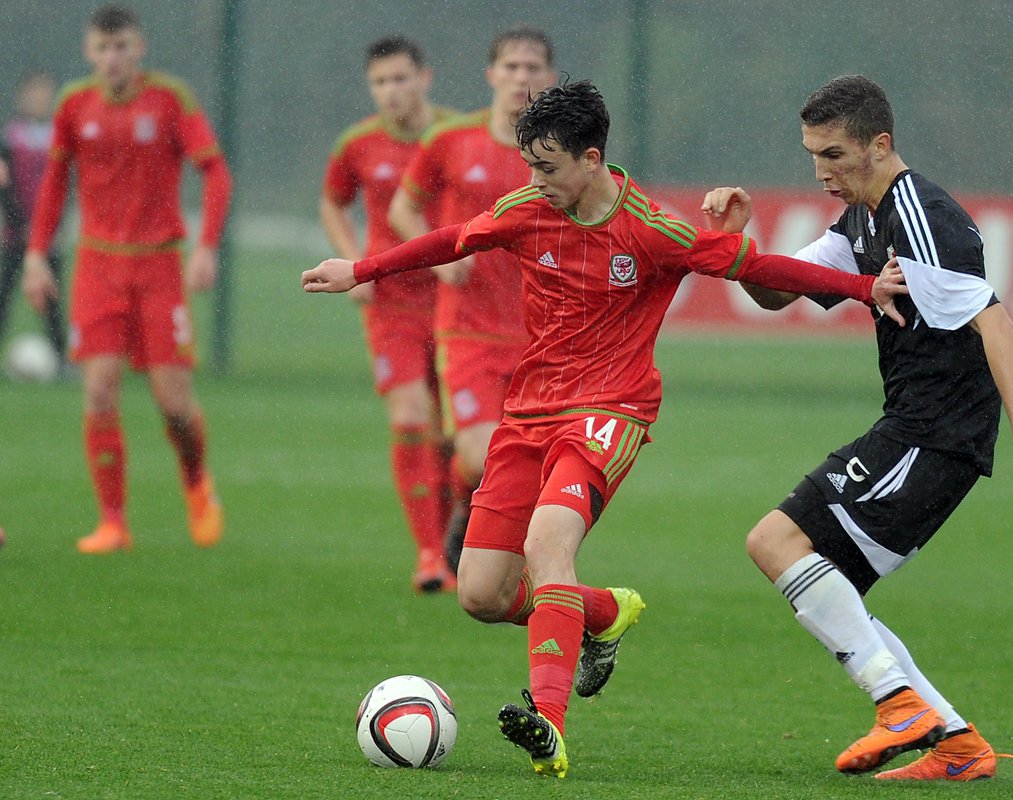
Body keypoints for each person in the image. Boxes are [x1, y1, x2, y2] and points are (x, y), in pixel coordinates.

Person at [304, 80, 908, 779]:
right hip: (529, 411)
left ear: (592, 159)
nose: (536, 181)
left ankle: (549, 725)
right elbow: (452, 239)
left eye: (549, 167)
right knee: (481, 593)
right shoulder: (528, 210)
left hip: (610, 410)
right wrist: (362, 268)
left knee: (547, 546)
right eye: (531, 165)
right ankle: (600, 614)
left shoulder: (653, 229)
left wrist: (866, 288)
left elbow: (759, 266)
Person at [701, 74, 1013, 782]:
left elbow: (993, 318)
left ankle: (900, 706)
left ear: (880, 145)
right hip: (916, 431)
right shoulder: (860, 216)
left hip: (932, 437)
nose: (821, 170)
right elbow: (783, 288)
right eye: (812, 154)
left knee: (774, 540)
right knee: (829, 592)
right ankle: (956, 745)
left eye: (835, 154)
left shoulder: (922, 213)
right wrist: (737, 251)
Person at [22, 4, 232, 554]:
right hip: (96, 265)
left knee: (174, 406)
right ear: (89, 53)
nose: (112, 58)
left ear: (138, 49)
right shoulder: (74, 104)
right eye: (101, 49)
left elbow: (215, 171)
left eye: (121, 48)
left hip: (159, 265)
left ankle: (196, 482)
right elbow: (54, 183)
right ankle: (112, 522)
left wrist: (206, 245)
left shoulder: (169, 98)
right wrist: (38, 253)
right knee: (98, 390)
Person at [388, 26, 555, 575]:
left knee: (528, 467)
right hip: (468, 331)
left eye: (532, 68)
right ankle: (467, 507)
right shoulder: (451, 140)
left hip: (541, 337)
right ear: (491, 75)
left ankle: (478, 523)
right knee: (483, 457)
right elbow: (403, 211)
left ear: (549, 78)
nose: (521, 78)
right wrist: (440, 254)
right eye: (511, 67)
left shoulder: (563, 152)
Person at [320, 35, 459, 593]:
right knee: (409, 418)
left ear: (424, 78)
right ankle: (428, 555)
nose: (391, 91)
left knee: (451, 437)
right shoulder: (358, 143)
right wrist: (352, 256)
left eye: (401, 78)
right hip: (391, 301)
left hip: (454, 301)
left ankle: (450, 544)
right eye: (380, 82)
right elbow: (333, 199)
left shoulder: (456, 136)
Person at [1, 71, 66, 366]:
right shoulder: (10, 136)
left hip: (49, 234)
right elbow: (5, 184)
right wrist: (19, 222)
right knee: (5, 293)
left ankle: (60, 358)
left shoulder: (58, 134)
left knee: (52, 297)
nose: (40, 98)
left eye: (45, 92)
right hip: (17, 233)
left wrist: (54, 224)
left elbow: (65, 184)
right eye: (35, 92)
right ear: (23, 96)